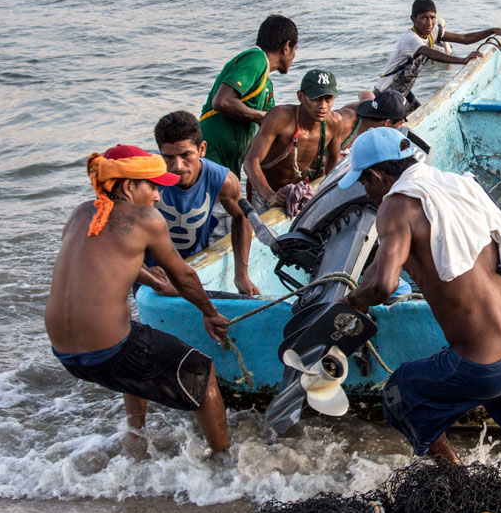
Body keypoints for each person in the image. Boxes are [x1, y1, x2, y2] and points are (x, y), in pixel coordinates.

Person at [339, 128, 501, 464]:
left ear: (376, 175)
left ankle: (456, 483)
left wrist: (352, 301)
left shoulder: (395, 206)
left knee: (402, 393)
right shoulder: (453, 184)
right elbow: (382, 266)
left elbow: (383, 284)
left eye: (364, 183)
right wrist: (363, 287)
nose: (366, 192)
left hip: (487, 365)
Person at [44, 145, 233, 453]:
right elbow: (184, 276)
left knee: (139, 340)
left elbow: (100, 260)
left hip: (66, 354)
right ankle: (224, 462)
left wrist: (146, 277)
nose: (158, 196)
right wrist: (210, 313)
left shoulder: (81, 212)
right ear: (129, 186)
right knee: (201, 371)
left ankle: (136, 436)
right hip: (109, 349)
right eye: (154, 186)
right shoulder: (146, 218)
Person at [136, 111, 260, 297]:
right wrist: (144, 271)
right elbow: (120, 233)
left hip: (194, 264)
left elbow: (242, 217)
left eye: (186, 155)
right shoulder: (145, 178)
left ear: (202, 149)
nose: (177, 166)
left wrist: (241, 274)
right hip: (150, 269)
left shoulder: (222, 180)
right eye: (168, 157)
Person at [199, 14, 299, 177]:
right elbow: (222, 101)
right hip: (212, 152)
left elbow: (270, 125)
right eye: (295, 49)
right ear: (287, 46)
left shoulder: (267, 85)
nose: (294, 57)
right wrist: (259, 116)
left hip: (230, 160)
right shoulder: (256, 59)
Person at [243, 69, 343, 216]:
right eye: (316, 99)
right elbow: (251, 161)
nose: (323, 106)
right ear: (300, 97)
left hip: (297, 191)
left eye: (328, 99)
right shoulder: (279, 117)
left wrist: (330, 193)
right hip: (263, 190)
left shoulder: (334, 123)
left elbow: (333, 160)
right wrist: (270, 196)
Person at [381, 0, 501, 104]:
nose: (429, 23)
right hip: (387, 92)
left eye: (432, 17)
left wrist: (492, 30)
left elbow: (465, 38)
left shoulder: (432, 32)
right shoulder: (411, 38)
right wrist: (462, 60)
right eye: (424, 18)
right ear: (413, 19)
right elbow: (431, 54)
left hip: (403, 92)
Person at [336, 89, 410, 153]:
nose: (400, 127)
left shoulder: (372, 103)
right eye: (401, 123)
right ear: (387, 122)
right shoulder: (344, 123)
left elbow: (365, 93)